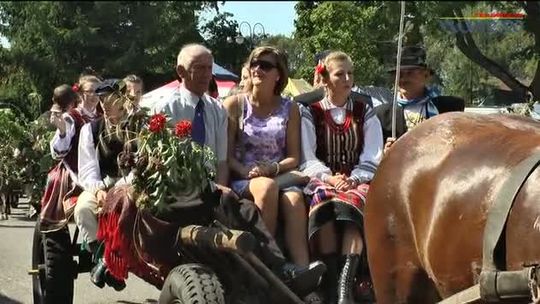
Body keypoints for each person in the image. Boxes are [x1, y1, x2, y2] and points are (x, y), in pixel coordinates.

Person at [151, 43, 326, 298]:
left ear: (279, 74)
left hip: (225, 185)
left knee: (282, 202)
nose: (205, 74)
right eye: (198, 68)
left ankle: (297, 273)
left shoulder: (214, 109)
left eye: (208, 68)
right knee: (261, 191)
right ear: (181, 70)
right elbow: (159, 158)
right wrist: (240, 175)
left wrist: (222, 187)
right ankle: (270, 269)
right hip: (187, 187)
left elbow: (222, 160)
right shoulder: (166, 108)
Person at [300, 51, 383, 304]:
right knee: (323, 203)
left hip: (357, 180)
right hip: (323, 180)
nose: (348, 78)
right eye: (340, 74)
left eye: (350, 73)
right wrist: (329, 178)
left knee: (355, 204)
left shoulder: (364, 111)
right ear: (325, 79)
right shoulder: (309, 112)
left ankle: (345, 287)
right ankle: (330, 280)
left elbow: (373, 155)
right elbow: (307, 156)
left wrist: (355, 179)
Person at [223, 46, 311, 270]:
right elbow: (226, 154)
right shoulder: (235, 105)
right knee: (266, 187)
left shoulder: (290, 108)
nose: (257, 69)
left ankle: (303, 270)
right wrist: (245, 171)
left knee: (294, 200)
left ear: (278, 74)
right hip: (244, 176)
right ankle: (265, 262)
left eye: (266, 65)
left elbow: (293, 157)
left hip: (278, 173)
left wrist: (272, 167)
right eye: (254, 63)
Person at [75, 79, 140, 291]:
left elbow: (140, 166)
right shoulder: (90, 130)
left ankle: (113, 262)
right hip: (101, 185)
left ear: (121, 100)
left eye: (108, 99)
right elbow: (87, 169)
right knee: (84, 209)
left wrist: (119, 189)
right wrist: (99, 190)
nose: (103, 104)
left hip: (132, 184)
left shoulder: (137, 126)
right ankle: (102, 257)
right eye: (101, 100)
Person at [375, 46, 465, 153]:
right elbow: (372, 155)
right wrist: (385, 153)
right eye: (399, 74)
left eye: (409, 73)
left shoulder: (448, 108)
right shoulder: (382, 115)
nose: (403, 78)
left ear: (426, 75)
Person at [40, 78, 103, 232]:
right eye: (89, 91)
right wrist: (62, 131)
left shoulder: (104, 115)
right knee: (56, 179)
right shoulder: (72, 117)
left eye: (98, 91)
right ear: (80, 94)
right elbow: (58, 152)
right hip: (76, 169)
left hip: (101, 167)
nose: (94, 95)